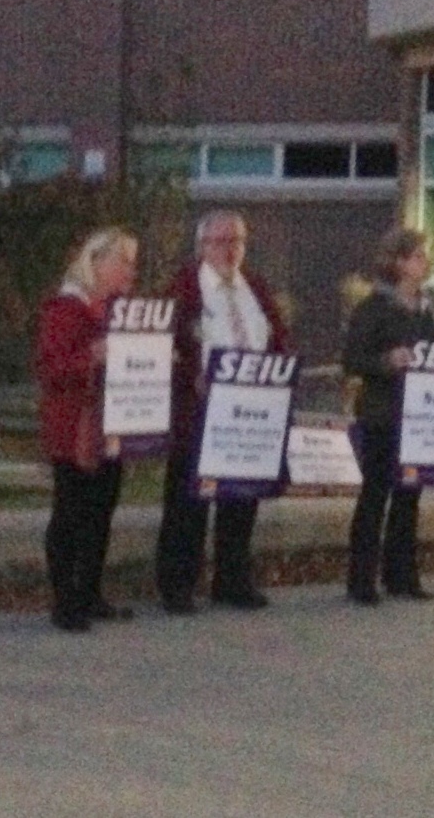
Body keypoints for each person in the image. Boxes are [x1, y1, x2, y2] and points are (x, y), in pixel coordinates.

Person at [155, 210, 291, 615]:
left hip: (249, 413)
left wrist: (280, 374)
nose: (230, 250)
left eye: (237, 242)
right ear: (202, 246)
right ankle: (178, 585)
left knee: (241, 499)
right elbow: (163, 348)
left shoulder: (257, 289)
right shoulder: (183, 290)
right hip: (198, 413)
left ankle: (232, 580)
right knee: (187, 503)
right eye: (220, 241)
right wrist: (189, 376)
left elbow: (278, 338)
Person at [33, 227, 139, 633]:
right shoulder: (66, 308)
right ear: (96, 262)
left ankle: (90, 590)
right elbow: (50, 368)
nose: (131, 269)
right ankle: (66, 598)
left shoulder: (119, 309)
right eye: (124, 260)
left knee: (101, 510)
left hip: (113, 422)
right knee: (71, 512)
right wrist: (91, 356)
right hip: (75, 426)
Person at [341, 229, 434, 605]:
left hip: (419, 414)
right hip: (383, 413)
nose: (424, 262)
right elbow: (352, 358)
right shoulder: (373, 307)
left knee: (409, 495)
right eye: (418, 256)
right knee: (375, 496)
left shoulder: (427, 307)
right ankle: (361, 580)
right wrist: (386, 361)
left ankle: (402, 575)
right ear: (398, 262)